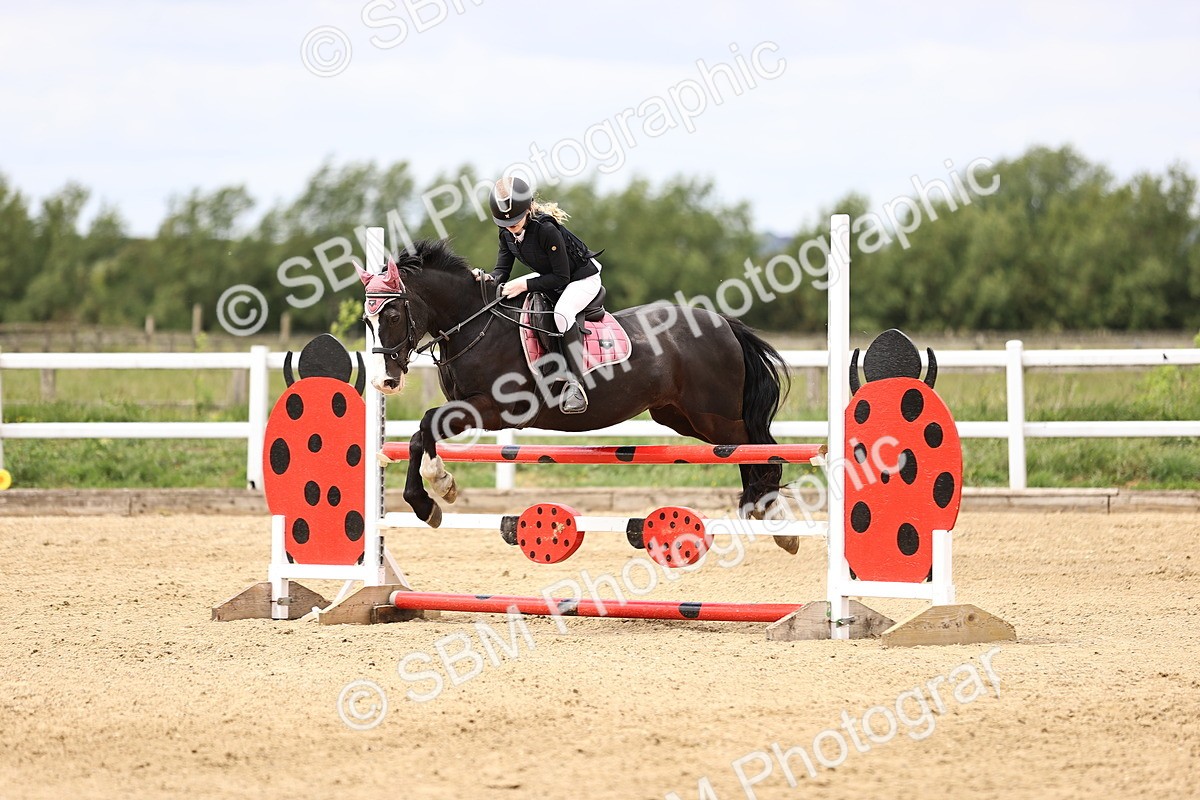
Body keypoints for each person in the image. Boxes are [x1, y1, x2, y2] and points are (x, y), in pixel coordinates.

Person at [474, 176, 604, 414]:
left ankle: (576, 386)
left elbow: (562, 277)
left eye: (514, 220)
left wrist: (524, 285)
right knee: (512, 293)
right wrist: (482, 279)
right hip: (553, 278)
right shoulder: (506, 233)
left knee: (562, 313)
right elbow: (501, 272)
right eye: (505, 222)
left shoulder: (546, 230)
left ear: (528, 209)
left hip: (581, 278)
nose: (510, 226)